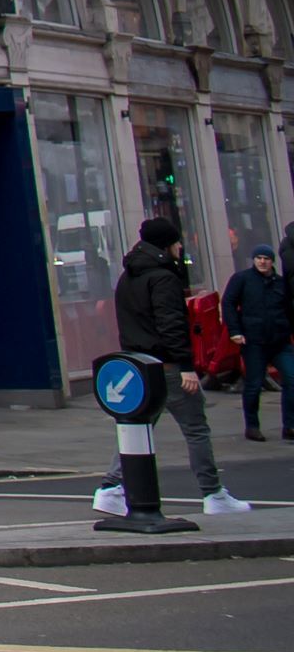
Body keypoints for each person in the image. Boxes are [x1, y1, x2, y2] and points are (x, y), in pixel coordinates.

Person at [109, 214, 249, 519]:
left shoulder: (127, 277)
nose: (181, 246)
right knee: (196, 428)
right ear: (167, 244)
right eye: (177, 241)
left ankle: (112, 487)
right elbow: (171, 323)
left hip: (138, 364)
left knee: (138, 428)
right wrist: (185, 365)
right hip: (168, 366)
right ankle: (213, 493)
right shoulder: (163, 277)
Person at [231, 244, 293, 441]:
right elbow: (228, 303)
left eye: (266, 258)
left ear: (272, 261)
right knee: (254, 384)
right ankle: (252, 426)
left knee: (292, 379)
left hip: (280, 340)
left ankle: (290, 426)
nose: (262, 261)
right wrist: (235, 331)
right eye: (258, 257)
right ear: (253, 260)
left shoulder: (281, 283)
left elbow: (289, 309)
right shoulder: (242, 279)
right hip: (253, 340)